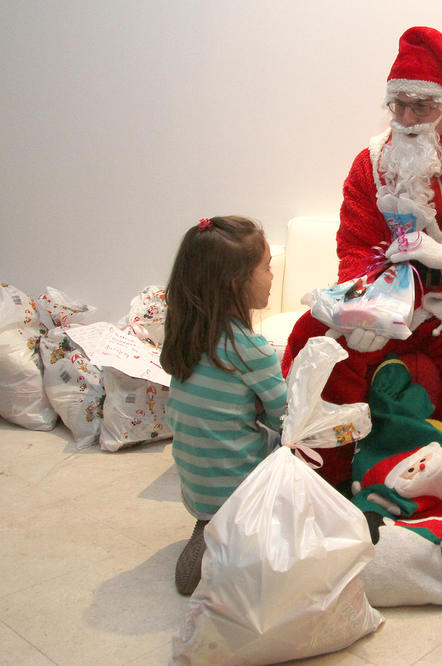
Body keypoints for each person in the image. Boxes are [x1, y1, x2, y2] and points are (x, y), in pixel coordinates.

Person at [282, 26, 442, 488]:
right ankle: (330, 481)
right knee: (321, 338)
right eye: (397, 104)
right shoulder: (370, 161)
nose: (405, 117)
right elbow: (355, 245)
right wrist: (366, 310)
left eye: (420, 105)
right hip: (387, 302)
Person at [161, 215, 287, 595]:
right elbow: (287, 420)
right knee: (306, 452)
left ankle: (213, 524)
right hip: (236, 483)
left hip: (198, 483)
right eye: (266, 268)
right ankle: (236, 530)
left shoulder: (187, 338)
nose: (272, 277)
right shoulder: (249, 349)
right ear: (237, 282)